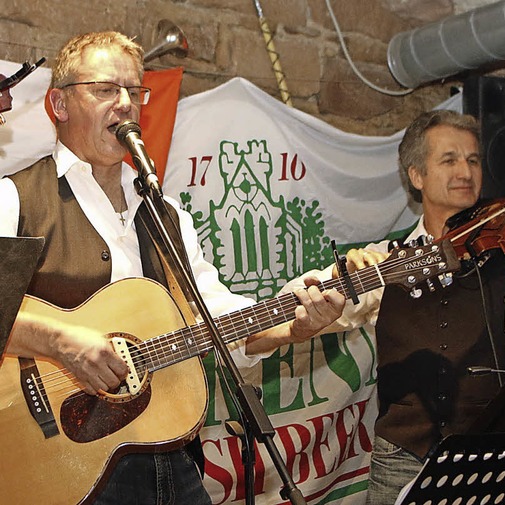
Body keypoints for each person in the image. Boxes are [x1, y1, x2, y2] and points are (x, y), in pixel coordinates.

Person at [0, 31, 345, 504]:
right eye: (106, 90)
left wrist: (290, 325)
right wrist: (59, 341)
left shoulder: (165, 213)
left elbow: (212, 313)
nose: (125, 104)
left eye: (134, 92)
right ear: (58, 105)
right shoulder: (14, 198)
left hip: (172, 456)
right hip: (65, 467)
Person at [282, 109, 505, 504]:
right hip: (401, 461)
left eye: (473, 160)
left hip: (491, 458)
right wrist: (336, 283)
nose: (465, 171)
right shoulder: (383, 258)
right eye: (449, 160)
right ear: (416, 176)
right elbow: (302, 304)